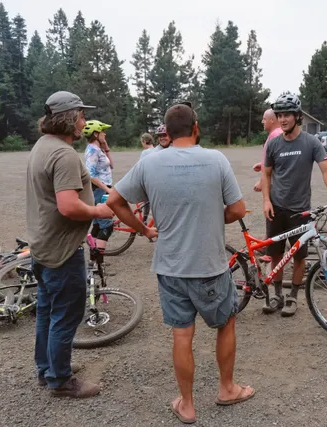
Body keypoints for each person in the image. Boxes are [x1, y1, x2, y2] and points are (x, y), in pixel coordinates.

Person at [106, 103, 253, 424]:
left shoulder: (150, 163)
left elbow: (114, 201)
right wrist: (212, 217)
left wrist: (144, 229)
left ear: (167, 133)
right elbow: (239, 210)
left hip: (169, 266)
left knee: (182, 335)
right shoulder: (216, 159)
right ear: (196, 127)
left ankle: (187, 404)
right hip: (210, 265)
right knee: (225, 324)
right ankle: (227, 388)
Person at [26, 91, 114, 398]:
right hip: (63, 250)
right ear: (68, 119)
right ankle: (61, 380)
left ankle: (47, 368)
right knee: (65, 315)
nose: (84, 121)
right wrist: (98, 211)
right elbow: (68, 206)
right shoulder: (63, 155)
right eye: (81, 116)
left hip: (43, 246)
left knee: (47, 313)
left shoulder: (42, 146)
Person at [260, 91, 327, 316]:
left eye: (287, 114)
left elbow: (326, 168)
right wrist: (267, 200)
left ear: (297, 116)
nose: (283, 119)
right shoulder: (273, 144)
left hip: (301, 210)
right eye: (279, 115)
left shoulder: (311, 142)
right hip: (276, 209)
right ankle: (277, 294)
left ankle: (293, 297)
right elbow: (266, 175)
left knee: (299, 257)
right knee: (276, 255)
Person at [83, 120, 114, 250]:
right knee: (107, 225)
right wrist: (107, 189)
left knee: (98, 225)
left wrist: (106, 148)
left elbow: (111, 166)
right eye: (103, 132)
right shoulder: (92, 151)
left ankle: (94, 262)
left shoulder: (98, 149)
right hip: (99, 190)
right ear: (96, 134)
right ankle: (97, 262)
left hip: (103, 189)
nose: (105, 134)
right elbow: (90, 175)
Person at [253, 109, 283, 192]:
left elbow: (278, 162)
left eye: (264, 119)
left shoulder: (275, 135)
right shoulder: (278, 133)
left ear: (272, 120)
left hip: (275, 184)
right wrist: (262, 164)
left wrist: (262, 182)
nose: (262, 121)